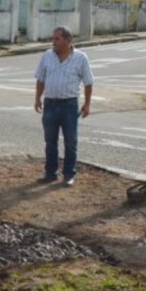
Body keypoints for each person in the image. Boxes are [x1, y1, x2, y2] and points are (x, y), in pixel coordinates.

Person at [33, 25, 94, 187]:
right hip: (50, 104)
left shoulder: (81, 58)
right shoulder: (47, 56)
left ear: (68, 40)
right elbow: (40, 79)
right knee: (50, 141)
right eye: (53, 38)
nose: (53, 42)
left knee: (70, 141)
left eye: (57, 39)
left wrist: (87, 104)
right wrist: (38, 98)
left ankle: (69, 174)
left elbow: (88, 82)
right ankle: (50, 173)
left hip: (69, 105)